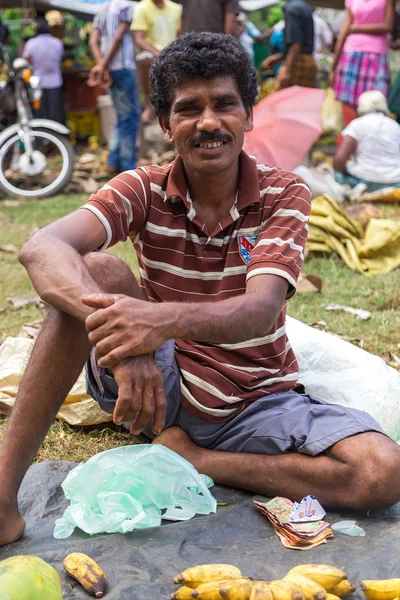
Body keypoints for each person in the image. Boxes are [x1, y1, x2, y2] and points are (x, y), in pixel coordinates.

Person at [1, 32, 400, 549]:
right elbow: (42, 248)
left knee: (382, 472)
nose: (209, 122)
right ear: (167, 125)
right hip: (159, 387)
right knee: (98, 268)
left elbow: (260, 311)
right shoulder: (142, 188)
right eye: (189, 109)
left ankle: (197, 459)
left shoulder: (285, 193)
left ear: (248, 115)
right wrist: (132, 351)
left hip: (259, 399)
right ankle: (3, 496)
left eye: (224, 104)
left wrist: (158, 322)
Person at [89, 0, 139, 173]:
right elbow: (118, 37)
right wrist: (103, 66)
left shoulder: (102, 8)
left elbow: (93, 41)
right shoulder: (127, 7)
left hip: (109, 70)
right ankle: (127, 166)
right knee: (130, 118)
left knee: (122, 116)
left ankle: (113, 161)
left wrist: (101, 65)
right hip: (123, 67)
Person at [330, 0, 394, 110]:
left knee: (376, 103)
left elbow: (388, 26)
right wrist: (333, 67)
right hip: (351, 54)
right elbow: (344, 33)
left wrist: (355, 28)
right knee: (349, 105)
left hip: (375, 55)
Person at [334, 90, 400, 191]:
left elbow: (339, 162)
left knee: (334, 175)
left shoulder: (357, 124)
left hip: (364, 182)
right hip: (395, 183)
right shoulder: (395, 126)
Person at [132, 0, 181, 123]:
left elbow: (179, 34)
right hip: (151, 51)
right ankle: (149, 105)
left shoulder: (176, 8)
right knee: (145, 59)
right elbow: (139, 39)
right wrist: (157, 53)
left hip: (172, 50)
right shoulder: (142, 8)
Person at [23, 18, 65, 124]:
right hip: (55, 82)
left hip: (37, 83)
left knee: (39, 115)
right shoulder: (58, 42)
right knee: (55, 114)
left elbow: (28, 61)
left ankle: (40, 139)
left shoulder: (31, 43)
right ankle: (54, 139)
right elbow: (59, 58)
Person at [273, 0, 317, 91]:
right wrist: (280, 57)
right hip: (308, 59)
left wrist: (286, 70)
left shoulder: (292, 9)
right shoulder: (303, 6)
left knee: (281, 98)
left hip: (297, 61)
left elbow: (296, 44)